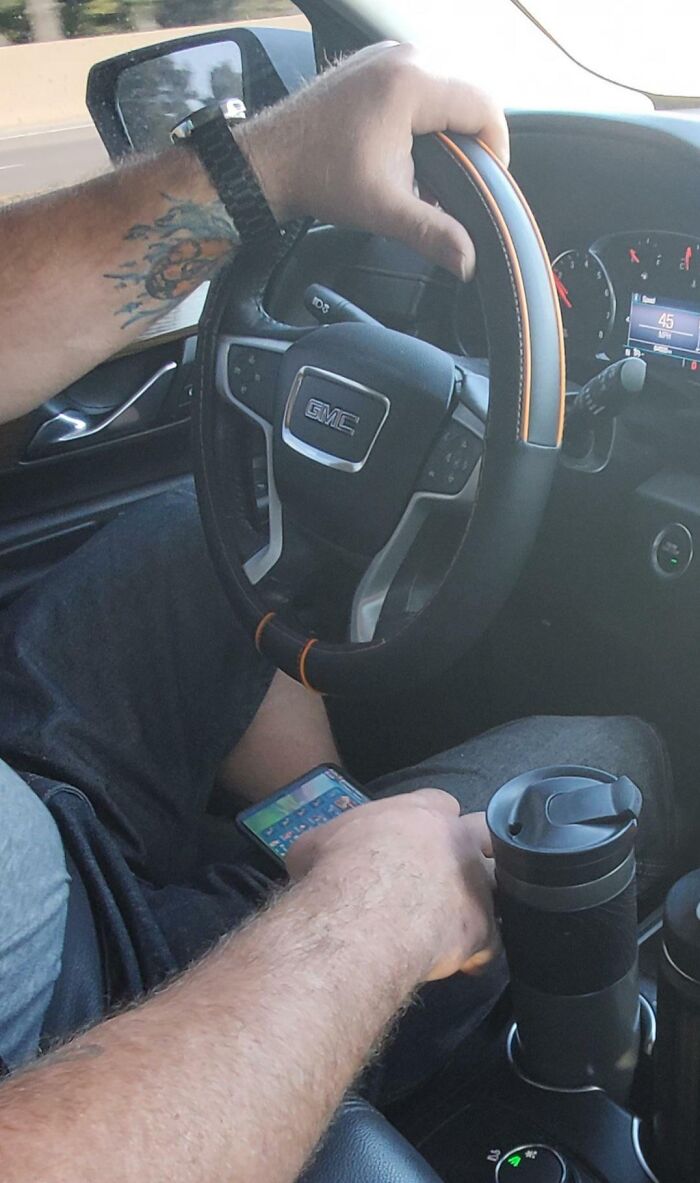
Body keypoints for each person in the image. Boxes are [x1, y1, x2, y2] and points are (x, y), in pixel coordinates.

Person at [0, 42, 680, 1183]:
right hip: (82, 1044)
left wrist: (248, 169)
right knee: (613, 761)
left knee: (195, 528)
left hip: (33, 820)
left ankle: (309, 826)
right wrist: (364, 913)